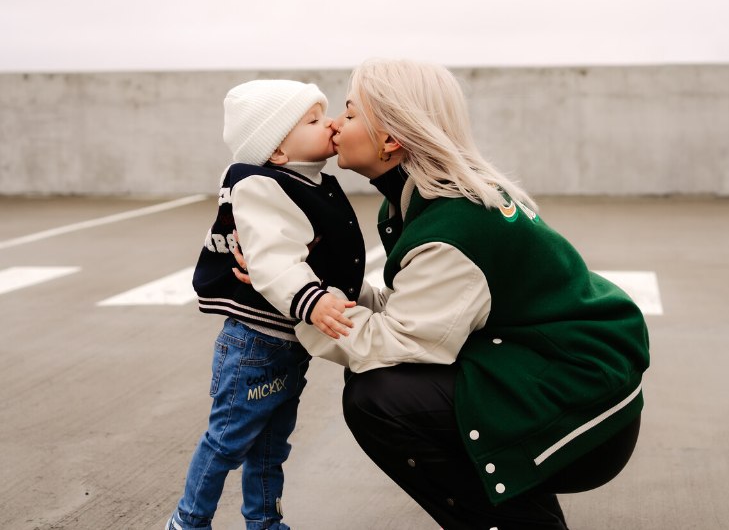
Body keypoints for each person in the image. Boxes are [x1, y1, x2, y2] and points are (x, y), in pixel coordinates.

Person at [236, 59, 651, 530]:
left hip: (584, 413)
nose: (334, 124)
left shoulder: (452, 226)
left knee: (380, 396)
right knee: (389, 387)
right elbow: (423, 310)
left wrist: (293, 301)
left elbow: (403, 343)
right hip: (555, 373)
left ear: (391, 140)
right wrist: (304, 282)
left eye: (349, 114)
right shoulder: (429, 198)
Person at [167, 79, 365, 530]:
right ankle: (188, 521)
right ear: (276, 151)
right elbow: (273, 257)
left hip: (286, 345)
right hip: (254, 346)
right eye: (314, 120)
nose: (331, 123)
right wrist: (312, 300)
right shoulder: (260, 185)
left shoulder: (306, 181)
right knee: (227, 441)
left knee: (272, 446)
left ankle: (264, 522)